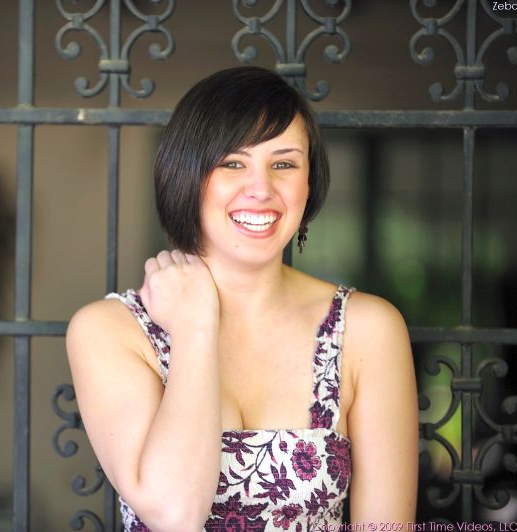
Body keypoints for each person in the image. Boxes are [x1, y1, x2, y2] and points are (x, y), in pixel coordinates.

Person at [66, 66, 418, 531]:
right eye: (232, 163)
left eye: (284, 164)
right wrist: (194, 327)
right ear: (186, 175)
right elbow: (174, 516)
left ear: (309, 183)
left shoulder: (366, 329)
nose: (261, 189)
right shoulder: (111, 331)